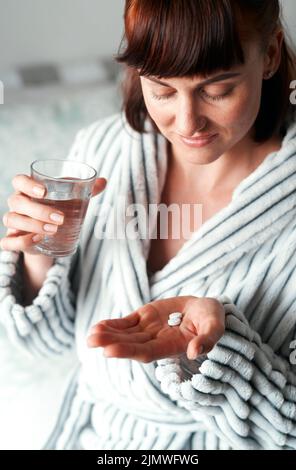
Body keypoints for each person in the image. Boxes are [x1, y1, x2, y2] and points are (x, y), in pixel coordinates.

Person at [0, 0, 296, 450]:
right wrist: (39, 256)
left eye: (217, 89)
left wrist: (214, 353)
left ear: (271, 54)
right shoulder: (103, 150)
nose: (187, 122)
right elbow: (49, 343)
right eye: (161, 90)